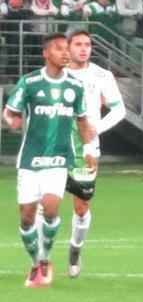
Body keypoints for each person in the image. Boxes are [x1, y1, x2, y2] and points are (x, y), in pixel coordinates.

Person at [3, 33, 94, 288]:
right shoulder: (30, 83)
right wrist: (12, 121)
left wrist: (87, 149)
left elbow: (83, 120)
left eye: (67, 49)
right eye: (58, 49)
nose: (65, 53)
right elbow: (10, 112)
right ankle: (35, 261)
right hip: (30, 160)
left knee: (51, 209)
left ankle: (45, 259)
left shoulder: (75, 86)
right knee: (27, 217)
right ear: (46, 53)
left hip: (58, 159)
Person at [63, 30, 127, 279]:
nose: (83, 48)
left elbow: (119, 109)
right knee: (45, 203)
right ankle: (40, 260)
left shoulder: (102, 75)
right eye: (78, 44)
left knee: (81, 206)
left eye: (87, 44)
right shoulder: (58, 74)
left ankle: (75, 249)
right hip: (55, 144)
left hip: (87, 148)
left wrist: (94, 130)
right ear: (67, 47)